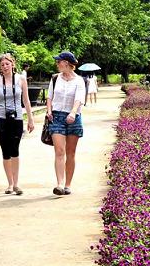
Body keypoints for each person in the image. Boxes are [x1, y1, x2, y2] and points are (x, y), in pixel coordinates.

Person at [0, 53, 35, 195]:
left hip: (17, 118)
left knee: (15, 149)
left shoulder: (21, 79)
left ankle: (16, 184)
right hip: (1, 118)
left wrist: (30, 119)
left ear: (12, 64)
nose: (5, 66)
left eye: (7, 64)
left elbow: (26, 100)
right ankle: (9, 184)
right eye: (2, 65)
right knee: (5, 150)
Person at [45, 51, 86, 196]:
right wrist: (49, 110)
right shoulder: (55, 78)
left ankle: (68, 184)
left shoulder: (79, 80)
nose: (57, 64)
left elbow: (79, 98)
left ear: (67, 63)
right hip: (56, 116)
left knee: (70, 152)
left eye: (59, 61)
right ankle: (60, 184)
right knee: (59, 151)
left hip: (73, 117)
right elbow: (49, 97)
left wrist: (73, 113)